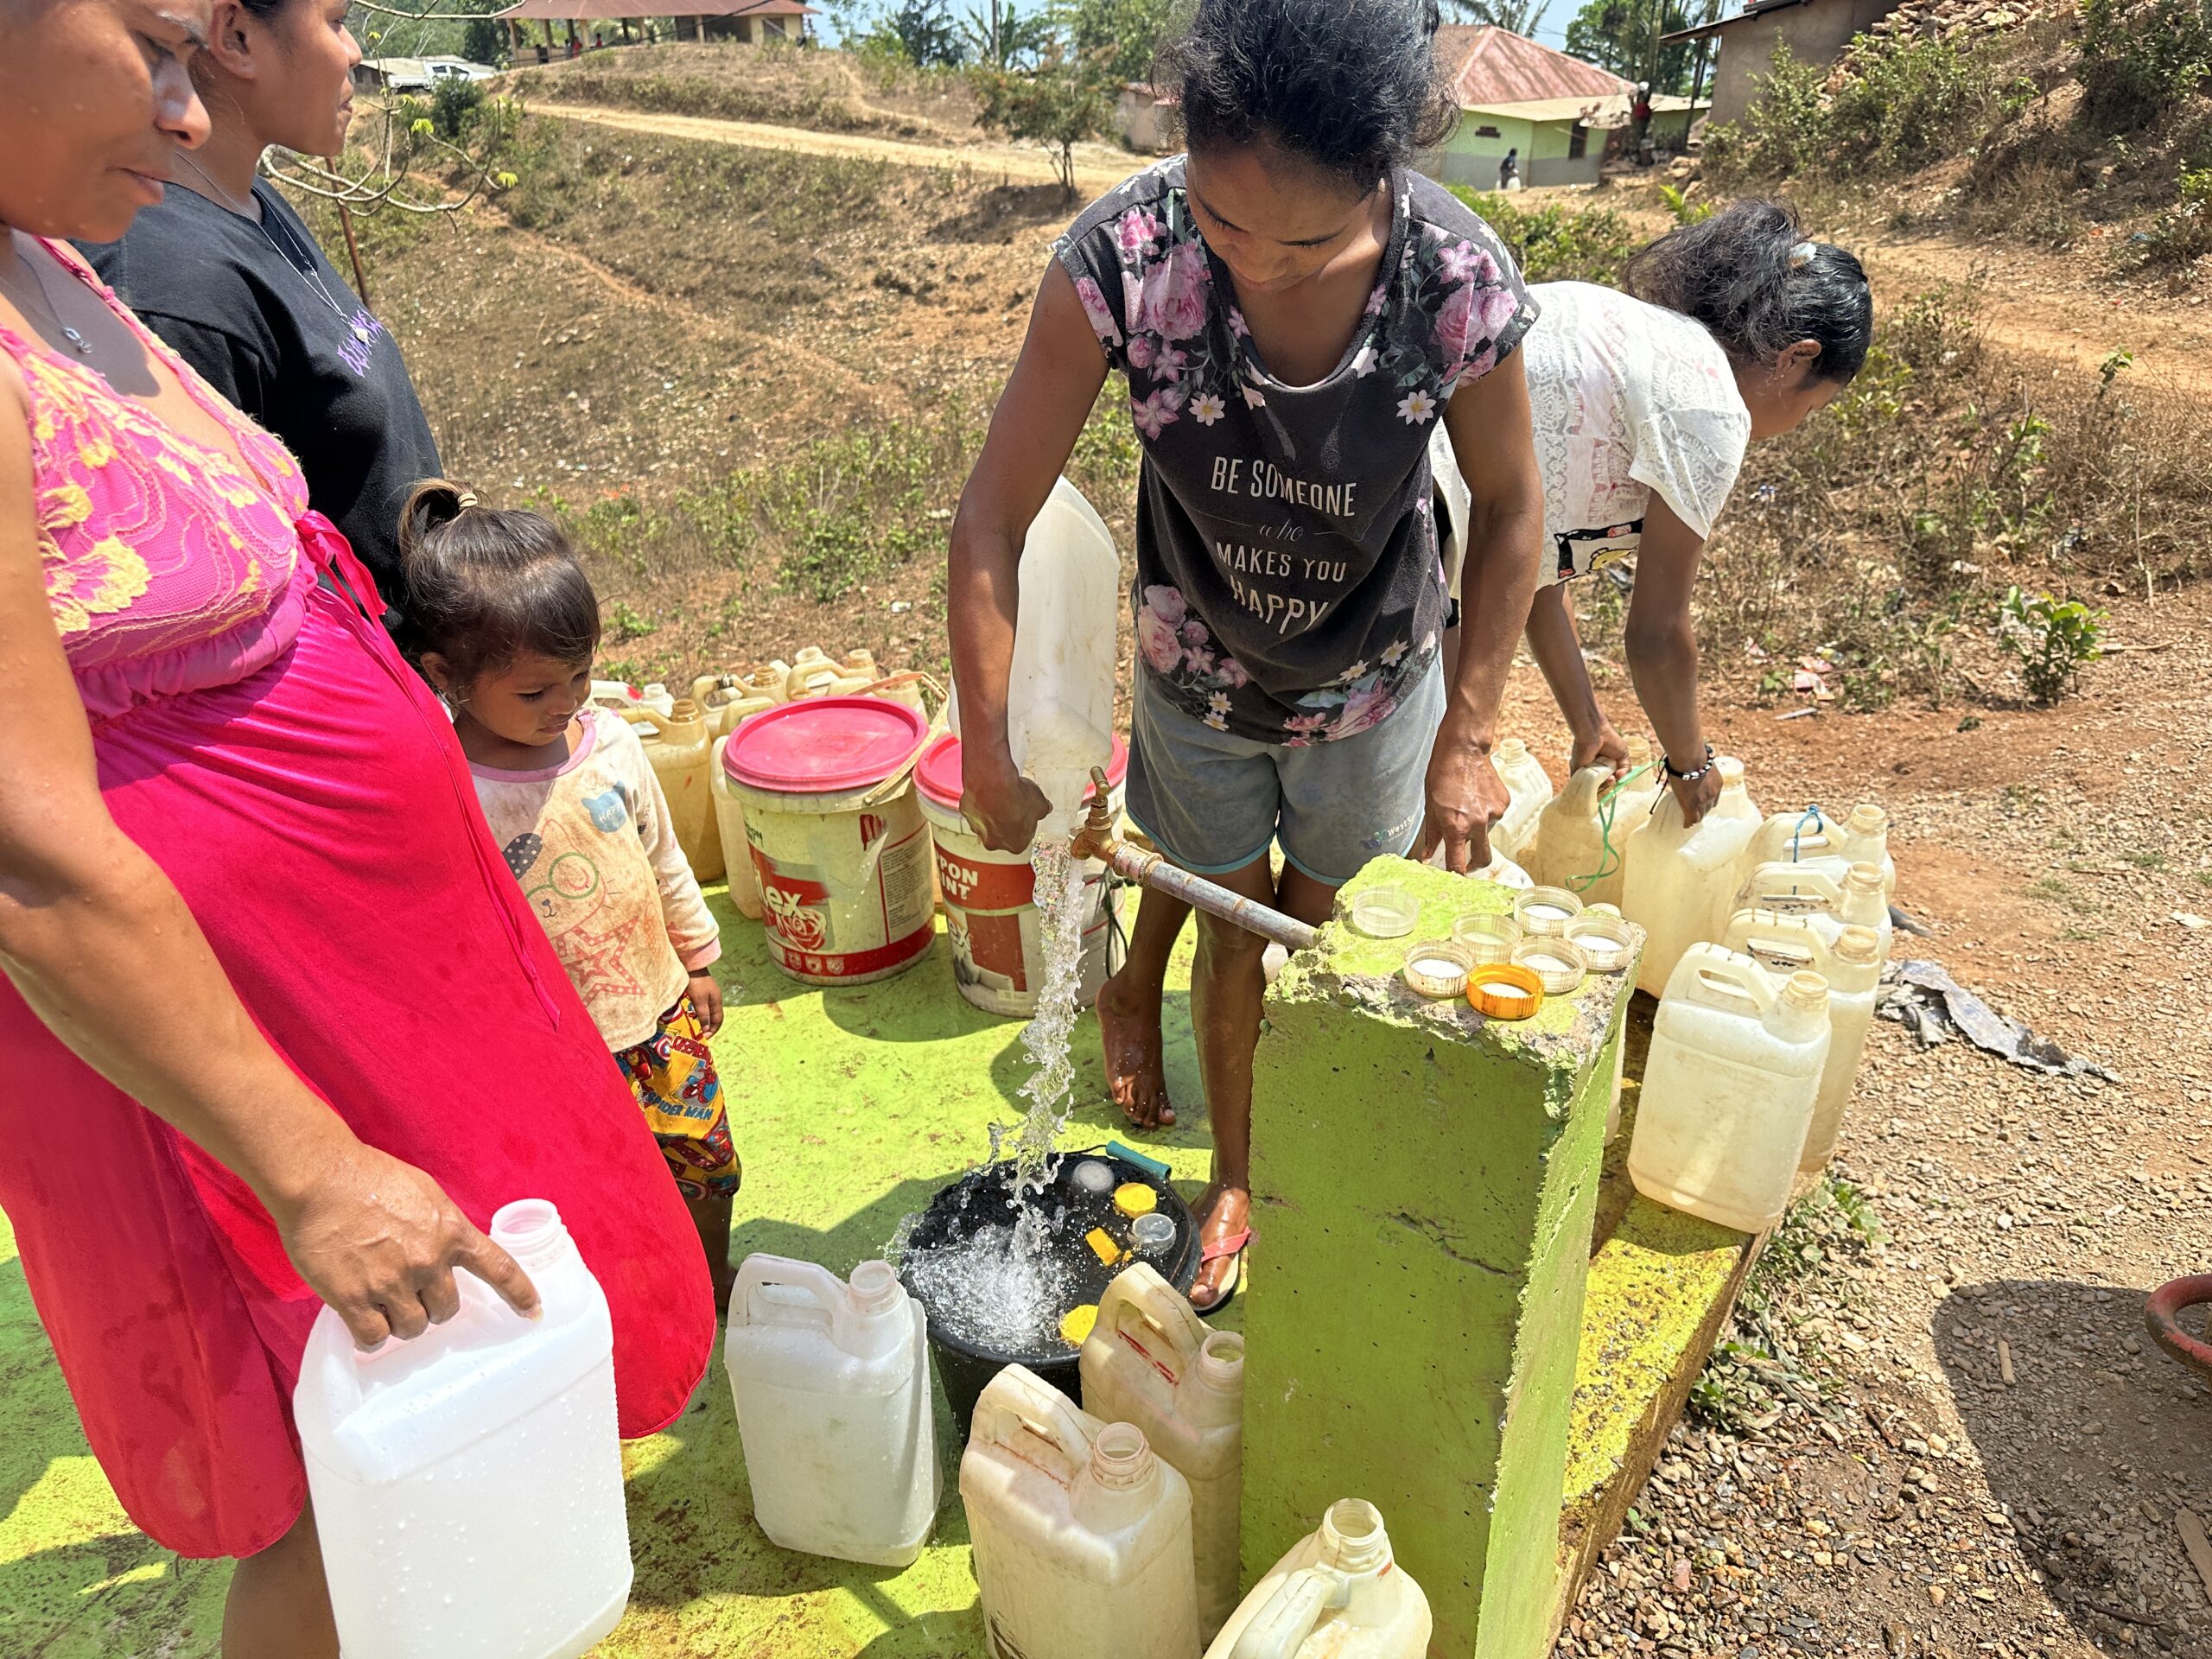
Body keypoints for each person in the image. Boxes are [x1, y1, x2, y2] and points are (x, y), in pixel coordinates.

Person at [0, 5, 711, 1653]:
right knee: (347, 1471)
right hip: (234, 1062)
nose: (189, 118)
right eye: (156, 48)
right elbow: (30, 855)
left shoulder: (58, 256)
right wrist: (312, 1170)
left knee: (443, 1435)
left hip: (361, 1009)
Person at [948, 0, 1546, 1313]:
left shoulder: (1452, 281)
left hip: (1376, 680)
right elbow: (991, 516)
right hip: (1198, 669)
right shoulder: (1126, 256)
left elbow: (1511, 513)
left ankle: (1304, 1161)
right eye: (1225, 224)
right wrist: (986, 750)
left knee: (1322, 937)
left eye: (1311, 239)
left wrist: (1471, 734)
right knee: (1226, 928)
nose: (1259, 266)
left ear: (1386, 183)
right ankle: (1233, 1170)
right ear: (1184, 153)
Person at [397, 482, 742, 1310]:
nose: (567, 704)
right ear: (445, 675)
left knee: (707, 1163)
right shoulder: (448, 781)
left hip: (660, 1018)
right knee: (582, 1195)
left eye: (581, 675)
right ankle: (611, 1304)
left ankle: (710, 1278)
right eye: (534, 693)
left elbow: (663, 857)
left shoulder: (614, 744)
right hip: (548, 1048)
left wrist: (697, 958)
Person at [1503, 200, 1872, 821]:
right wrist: (1690, 764)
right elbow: (1656, 636)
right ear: (1797, 358)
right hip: (1415, 555)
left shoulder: (1639, 337)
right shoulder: (1707, 407)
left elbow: (1535, 576)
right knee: (1404, 823)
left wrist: (1588, 723)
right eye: (1813, 409)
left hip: (1350, 504)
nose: (1792, 428)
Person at [79, 0, 442, 607]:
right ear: (239, 37)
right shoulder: (170, 288)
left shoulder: (254, 201)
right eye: (333, 20)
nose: (353, 51)